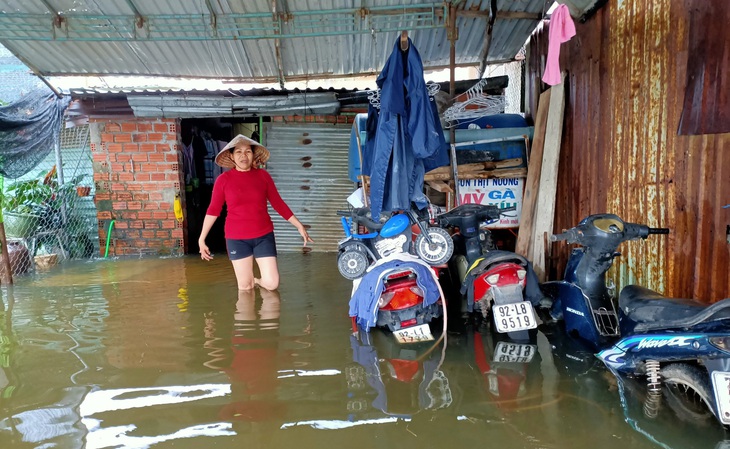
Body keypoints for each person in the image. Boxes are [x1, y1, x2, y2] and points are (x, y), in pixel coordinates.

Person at [198, 134, 312, 291]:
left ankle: (258, 281)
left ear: (253, 155)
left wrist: (299, 225)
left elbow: (278, 203)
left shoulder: (263, 176)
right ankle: (249, 307)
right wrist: (202, 239)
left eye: (248, 151)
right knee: (245, 287)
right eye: (238, 152)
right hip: (237, 238)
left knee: (272, 284)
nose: (243, 156)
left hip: (263, 236)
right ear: (231, 156)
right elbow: (213, 210)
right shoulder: (223, 180)